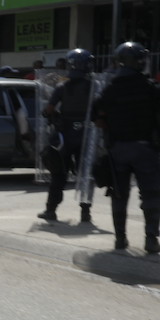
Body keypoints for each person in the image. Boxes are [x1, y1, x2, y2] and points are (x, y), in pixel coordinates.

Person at [91, 42, 160, 254]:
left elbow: (99, 121)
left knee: (119, 194)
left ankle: (120, 239)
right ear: (141, 62)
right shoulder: (154, 89)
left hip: (118, 149)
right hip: (145, 149)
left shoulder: (108, 92)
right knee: (150, 194)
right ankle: (151, 240)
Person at [37, 49, 95, 224]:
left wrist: (52, 114)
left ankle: (51, 210)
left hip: (65, 137)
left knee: (58, 172)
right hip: (86, 136)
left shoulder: (63, 87)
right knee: (85, 174)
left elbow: (47, 110)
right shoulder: (94, 86)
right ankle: (85, 213)